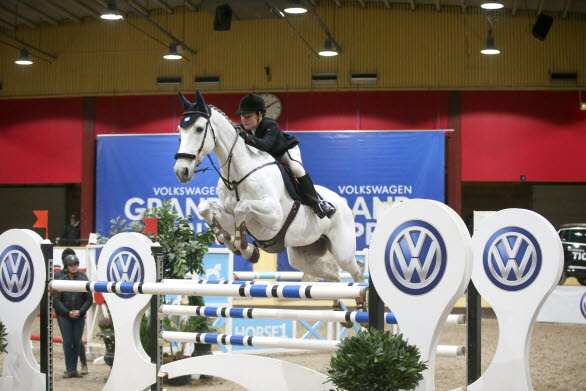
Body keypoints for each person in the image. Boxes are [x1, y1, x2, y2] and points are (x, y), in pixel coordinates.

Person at [236, 93, 336, 219]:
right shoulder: (242, 128)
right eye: (242, 116)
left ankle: (319, 203)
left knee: (296, 168)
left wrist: (246, 137)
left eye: (248, 116)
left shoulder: (270, 125)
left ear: (260, 115)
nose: (244, 119)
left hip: (284, 151)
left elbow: (265, 145)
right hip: (266, 157)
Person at [53, 254, 93, 378]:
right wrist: (67, 312)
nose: (74, 267)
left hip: (79, 316)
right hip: (65, 316)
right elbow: (56, 300)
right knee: (68, 341)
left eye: (76, 264)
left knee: (76, 341)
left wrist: (80, 311)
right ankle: (69, 368)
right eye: (71, 265)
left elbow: (89, 298)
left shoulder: (83, 277)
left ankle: (73, 369)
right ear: (67, 266)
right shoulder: (61, 279)